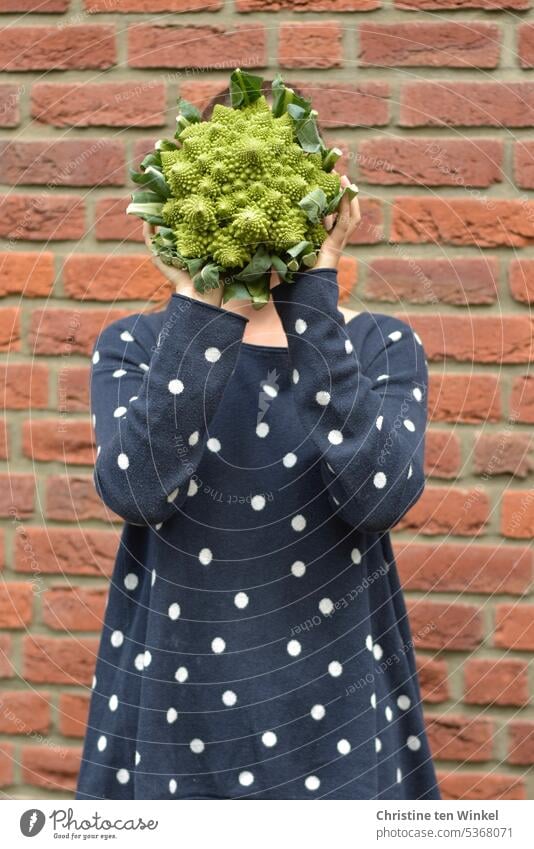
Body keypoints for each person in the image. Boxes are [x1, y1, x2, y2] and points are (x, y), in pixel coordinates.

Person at [75, 159, 440, 799]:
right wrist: (197, 303)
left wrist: (315, 301)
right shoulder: (136, 344)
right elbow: (134, 490)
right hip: (174, 702)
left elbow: (380, 495)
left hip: (341, 703)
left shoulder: (381, 344)